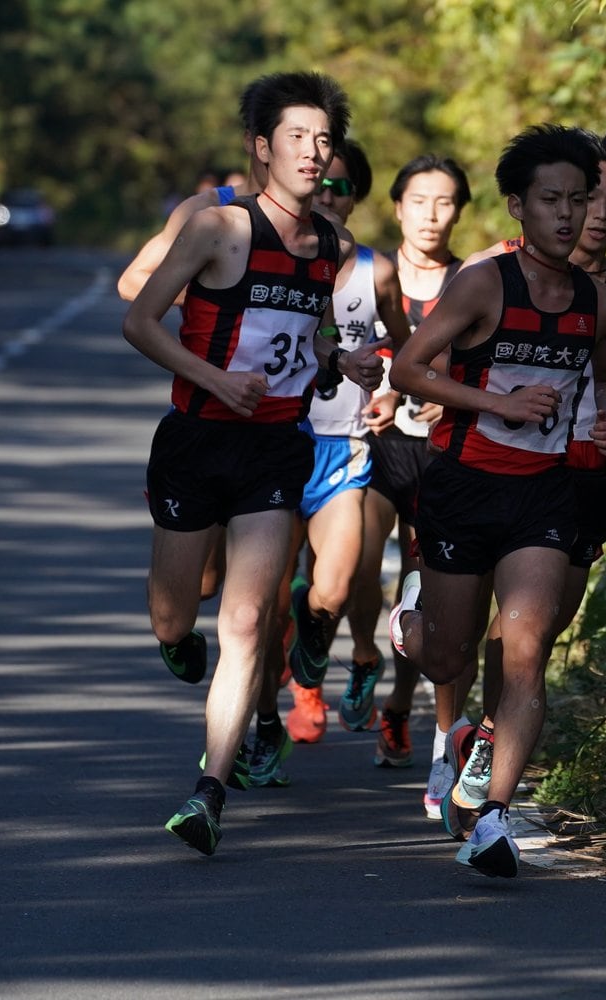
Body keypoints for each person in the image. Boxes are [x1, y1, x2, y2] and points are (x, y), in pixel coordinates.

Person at [123, 71, 382, 857]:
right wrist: (215, 380)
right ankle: (173, 641)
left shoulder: (333, 249)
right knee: (179, 612)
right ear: (261, 148)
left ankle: (210, 791)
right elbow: (139, 319)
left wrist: (351, 361)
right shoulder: (220, 229)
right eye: (297, 138)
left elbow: (311, 341)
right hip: (198, 437)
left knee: (245, 621)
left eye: (324, 140)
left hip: (276, 447)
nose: (313, 153)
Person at [387, 124, 606, 877]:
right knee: (451, 653)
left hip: (544, 494)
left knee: (525, 654)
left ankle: (491, 817)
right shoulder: (484, 282)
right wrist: (495, 402)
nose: (568, 214)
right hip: (463, 486)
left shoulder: (600, 300)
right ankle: (408, 629)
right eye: (550, 199)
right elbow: (408, 371)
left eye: (578, 199)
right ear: (518, 207)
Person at [448, 131, 606, 824]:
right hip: (495, 471)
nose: (601, 215)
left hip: (581, 479)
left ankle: (490, 741)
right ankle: (482, 739)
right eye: (591, 198)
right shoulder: (503, 273)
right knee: (505, 634)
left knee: (536, 634)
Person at [342, 155, 482, 817]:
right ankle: (362, 654)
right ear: (397, 207)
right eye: (420, 200)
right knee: (356, 570)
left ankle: (401, 705)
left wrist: (449, 400)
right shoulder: (365, 276)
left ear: (460, 211)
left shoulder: (476, 284)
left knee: (420, 598)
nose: (432, 213)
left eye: (446, 201)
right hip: (374, 449)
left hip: (445, 461)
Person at [117, 82, 268, 624]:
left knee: (255, 603)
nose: (317, 166)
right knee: (199, 584)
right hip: (210, 410)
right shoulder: (211, 214)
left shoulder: (324, 234)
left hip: (285, 420)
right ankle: (178, 624)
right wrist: (226, 298)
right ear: (258, 144)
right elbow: (134, 282)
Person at [277, 140, 410, 750]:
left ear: (357, 196)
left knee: (334, 583)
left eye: (341, 187)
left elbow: (405, 351)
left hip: (346, 443)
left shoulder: (376, 270)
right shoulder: (270, 258)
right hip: (278, 437)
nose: (328, 196)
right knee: (271, 594)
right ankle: (279, 716)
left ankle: (352, 657)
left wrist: (394, 392)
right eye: (320, 185)